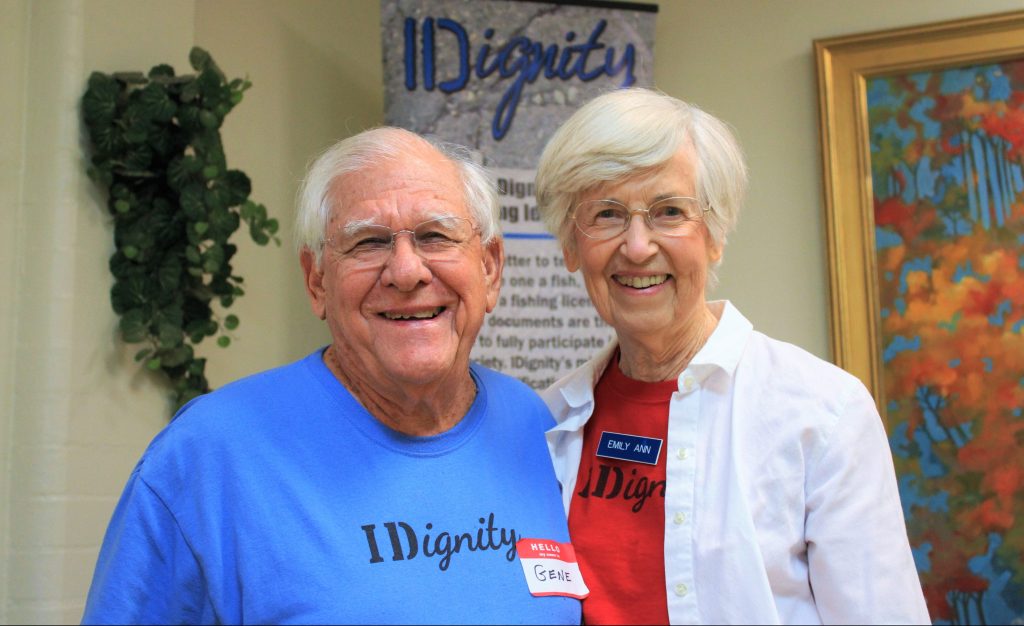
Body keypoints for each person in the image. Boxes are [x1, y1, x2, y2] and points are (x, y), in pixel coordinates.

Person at [82, 127, 582, 624]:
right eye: (367, 242)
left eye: (435, 235)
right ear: (316, 279)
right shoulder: (206, 456)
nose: (406, 272)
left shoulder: (534, 427)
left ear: (491, 269)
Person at [534, 88, 930, 625]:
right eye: (606, 215)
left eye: (669, 211)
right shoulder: (550, 421)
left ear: (714, 235)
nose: (636, 245)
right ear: (570, 247)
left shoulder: (822, 412)